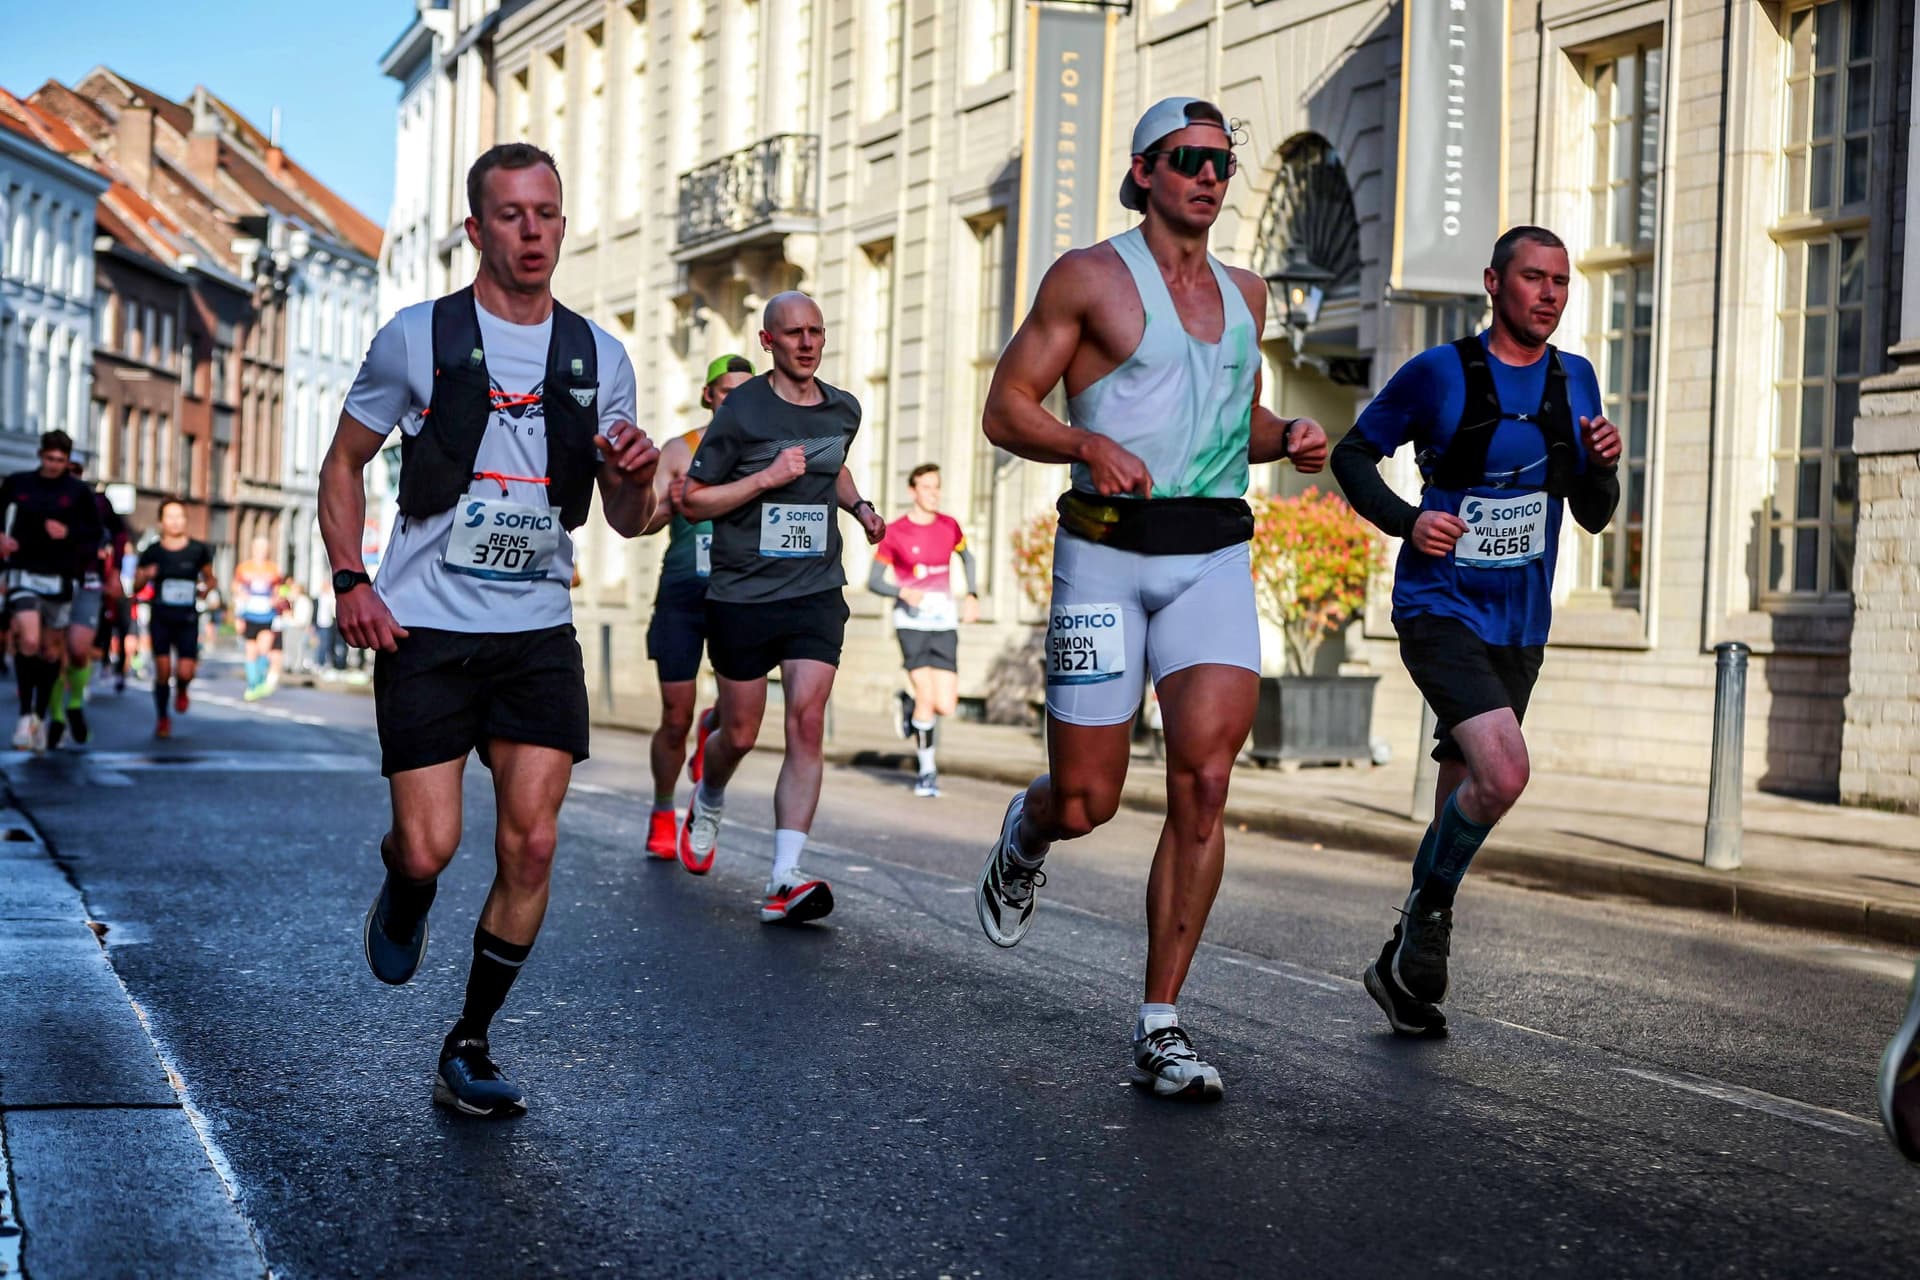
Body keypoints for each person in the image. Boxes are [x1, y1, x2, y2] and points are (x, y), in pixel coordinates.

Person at [971, 98, 1328, 1101]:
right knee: (1087, 798)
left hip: (1211, 555)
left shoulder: (1247, 293)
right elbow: (1005, 407)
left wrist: (1286, 432)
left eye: (1221, 161)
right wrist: (1086, 442)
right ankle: (1027, 833)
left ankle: (1161, 1020)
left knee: (1205, 783)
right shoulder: (1089, 277)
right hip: (1105, 556)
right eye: (1189, 159)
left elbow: (1228, 419)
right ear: (1144, 170)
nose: (1210, 176)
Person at [323, 141, 655, 1118]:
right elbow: (341, 464)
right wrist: (351, 579)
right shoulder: (414, 338)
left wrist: (636, 472)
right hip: (422, 626)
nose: (532, 231)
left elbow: (631, 518)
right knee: (429, 845)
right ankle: (405, 882)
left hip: (536, 632)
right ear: (476, 228)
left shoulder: (601, 357)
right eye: (510, 214)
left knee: (535, 842)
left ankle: (468, 1037)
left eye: (546, 212)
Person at [1329, 225, 1620, 1038]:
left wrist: (1603, 465)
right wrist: (1408, 519)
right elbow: (1354, 455)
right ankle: (1430, 911)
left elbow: (1594, 515)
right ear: (1494, 284)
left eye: (1562, 281)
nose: (1550, 294)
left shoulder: (1577, 381)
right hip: (1438, 609)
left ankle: (1399, 968)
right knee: (1504, 770)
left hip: (1522, 622)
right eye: (1534, 278)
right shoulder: (1440, 373)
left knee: (1466, 785)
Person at [677, 291, 887, 919]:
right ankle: (710, 792)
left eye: (816, 331)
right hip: (742, 593)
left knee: (806, 720)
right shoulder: (742, 409)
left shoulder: (843, 408)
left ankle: (783, 876)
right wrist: (765, 479)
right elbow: (693, 498)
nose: (806, 343)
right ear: (768, 341)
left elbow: (832, 465)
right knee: (739, 731)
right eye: (792, 333)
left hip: (815, 590)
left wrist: (859, 507)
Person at [638, 353, 752, 863]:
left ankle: (715, 726)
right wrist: (669, 501)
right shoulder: (679, 450)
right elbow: (646, 521)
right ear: (709, 395)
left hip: (741, 597)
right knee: (674, 716)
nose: (735, 401)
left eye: (746, 392)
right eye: (727, 391)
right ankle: (664, 810)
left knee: (737, 715)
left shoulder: (764, 450)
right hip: (683, 594)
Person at [867, 462, 979, 797]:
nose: (934, 494)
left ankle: (906, 704)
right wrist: (902, 591)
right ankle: (926, 772)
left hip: (944, 621)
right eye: (927, 487)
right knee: (927, 698)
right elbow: (872, 581)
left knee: (945, 703)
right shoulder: (896, 532)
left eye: (937, 487)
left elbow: (968, 558)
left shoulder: (950, 527)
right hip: (911, 623)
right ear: (912, 491)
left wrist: (971, 595)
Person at [0, 431, 103, 752]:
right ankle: (25, 714)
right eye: (50, 459)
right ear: (40, 455)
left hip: (60, 576)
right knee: (28, 638)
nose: (55, 465)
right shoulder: (18, 483)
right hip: (23, 570)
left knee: (49, 651)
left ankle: (40, 716)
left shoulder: (78, 492)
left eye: (61, 460)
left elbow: (96, 533)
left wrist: (69, 532)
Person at [47, 456, 127, 747]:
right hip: (51, 582)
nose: (70, 476)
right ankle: (55, 716)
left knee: (79, 649)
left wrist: (115, 571)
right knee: (55, 654)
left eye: (76, 472)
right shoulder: (44, 499)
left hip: (88, 582)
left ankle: (75, 704)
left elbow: (118, 535)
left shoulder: (98, 503)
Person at [134, 499, 216, 739]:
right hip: (161, 616)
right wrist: (146, 576)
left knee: (185, 671)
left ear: (185, 519)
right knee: (162, 670)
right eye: (170, 517)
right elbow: (136, 585)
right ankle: (162, 718)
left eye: (179, 516)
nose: (175, 521)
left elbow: (211, 579)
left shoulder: (198, 550)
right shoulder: (152, 552)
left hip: (187, 617)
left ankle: (182, 688)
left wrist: (205, 589)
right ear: (161, 521)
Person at [232, 537, 284, 700]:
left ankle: (260, 682)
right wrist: (238, 615)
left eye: (264, 548)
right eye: (258, 548)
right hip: (249, 614)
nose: (261, 551)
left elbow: (278, 591)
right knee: (250, 650)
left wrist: (276, 600)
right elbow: (236, 589)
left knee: (264, 649)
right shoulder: (244, 568)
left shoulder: (273, 569)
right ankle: (253, 684)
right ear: (253, 549)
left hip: (267, 614)